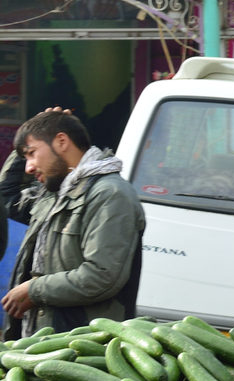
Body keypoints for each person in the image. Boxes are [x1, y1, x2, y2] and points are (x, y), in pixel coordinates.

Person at [1, 109, 145, 337]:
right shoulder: (54, 193)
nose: (28, 167)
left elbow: (102, 276)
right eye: (25, 157)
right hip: (45, 341)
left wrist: (34, 289)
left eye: (32, 153)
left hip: (83, 348)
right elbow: (7, 197)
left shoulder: (109, 194)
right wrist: (32, 132)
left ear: (61, 141)